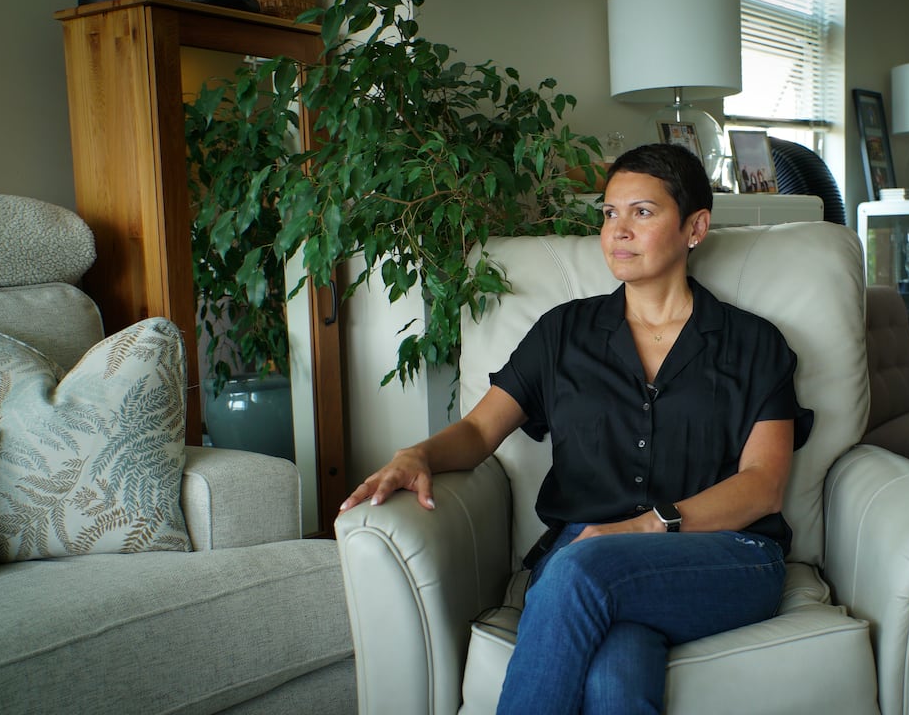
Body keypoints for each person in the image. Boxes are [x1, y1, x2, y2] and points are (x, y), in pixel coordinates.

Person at [340, 143, 813, 715]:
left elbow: (763, 484)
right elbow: (479, 432)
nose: (618, 231)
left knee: (577, 572)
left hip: (723, 557)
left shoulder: (754, 344)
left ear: (695, 227)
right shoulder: (563, 333)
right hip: (591, 556)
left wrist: (640, 530)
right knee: (615, 677)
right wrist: (416, 454)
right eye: (609, 213)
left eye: (642, 212)